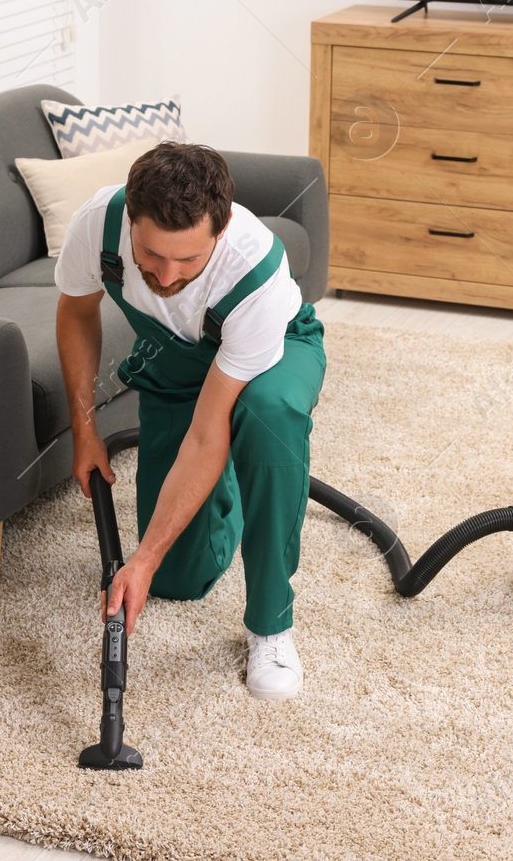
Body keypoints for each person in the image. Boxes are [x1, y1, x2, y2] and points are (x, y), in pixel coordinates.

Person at [53, 142, 326, 700]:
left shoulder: (256, 274)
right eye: (152, 255)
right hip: (175, 360)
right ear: (131, 218)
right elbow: (76, 312)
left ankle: (272, 625)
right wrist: (85, 431)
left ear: (220, 231)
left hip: (272, 355)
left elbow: (206, 435)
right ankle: (234, 487)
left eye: (189, 261)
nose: (168, 275)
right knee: (178, 579)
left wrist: (141, 561)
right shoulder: (98, 226)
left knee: (265, 416)